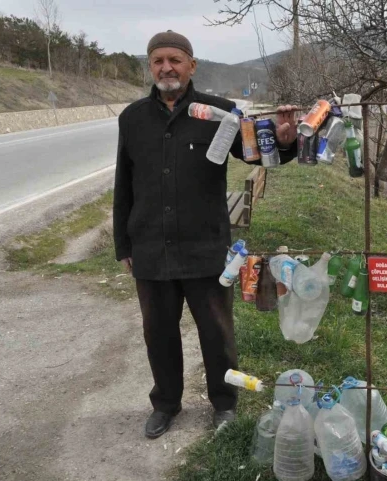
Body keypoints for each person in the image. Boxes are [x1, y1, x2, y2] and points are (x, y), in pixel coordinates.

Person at [113, 30, 297, 439]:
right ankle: (166, 403)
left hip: (206, 247)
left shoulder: (219, 112)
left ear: (191, 65)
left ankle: (225, 403)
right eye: (158, 60)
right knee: (158, 333)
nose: (167, 67)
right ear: (150, 66)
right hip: (150, 247)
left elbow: (254, 152)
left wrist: (284, 143)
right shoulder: (132, 119)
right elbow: (123, 185)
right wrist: (123, 245)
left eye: (175, 60)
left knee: (217, 332)